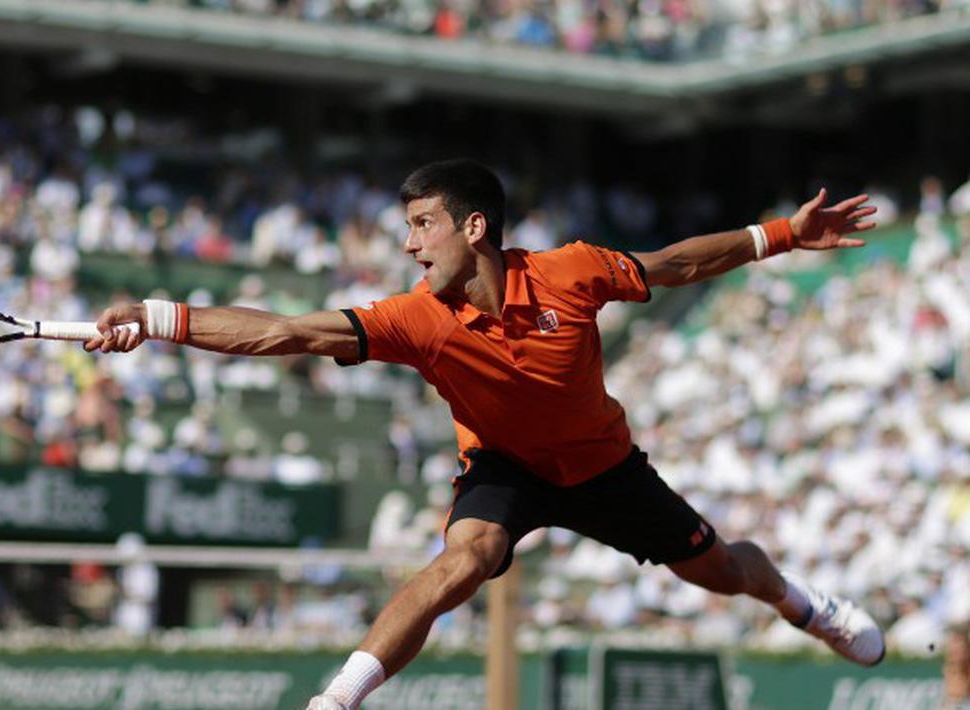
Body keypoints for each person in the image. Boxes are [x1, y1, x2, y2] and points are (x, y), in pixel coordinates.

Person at [86, 159, 885, 710]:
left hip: (605, 469)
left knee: (716, 571)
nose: (407, 243)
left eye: (421, 224)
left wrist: (783, 234)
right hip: (503, 467)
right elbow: (284, 333)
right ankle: (337, 698)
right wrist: (157, 319)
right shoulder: (414, 317)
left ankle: (800, 604)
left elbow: (671, 265)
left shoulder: (570, 271)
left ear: (474, 228)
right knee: (464, 558)